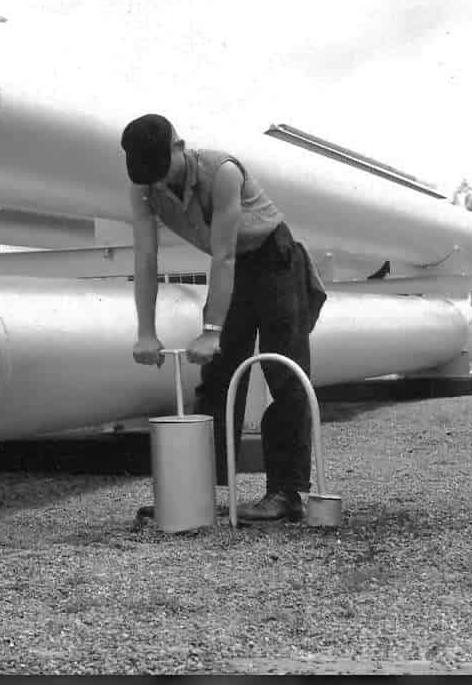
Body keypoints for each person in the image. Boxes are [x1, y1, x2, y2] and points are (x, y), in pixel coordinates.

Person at [121, 113, 327, 522]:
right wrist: (145, 332)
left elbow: (224, 255)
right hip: (235, 271)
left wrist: (212, 329)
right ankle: (198, 491)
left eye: (163, 171)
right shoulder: (144, 187)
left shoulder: (223, 172)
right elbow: (145, 259)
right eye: (150, 177)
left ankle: (288, 493)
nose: (159, 184)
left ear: (179, 146)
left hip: (275, 262)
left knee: (281, 372)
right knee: (217, 376)